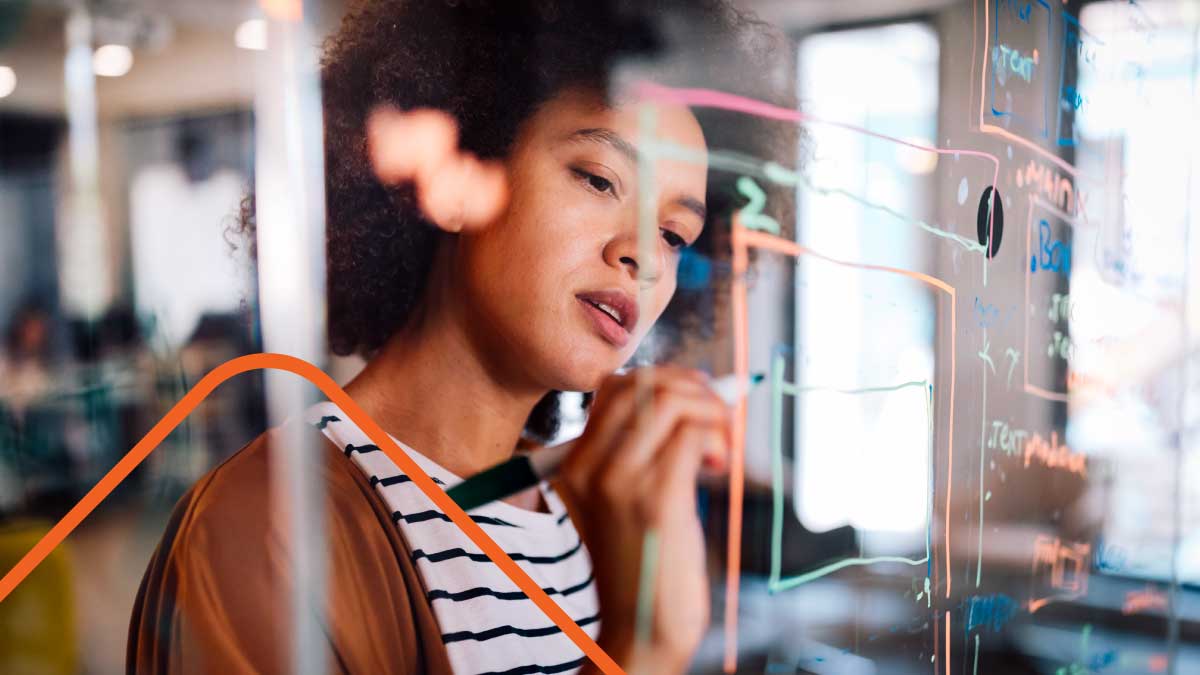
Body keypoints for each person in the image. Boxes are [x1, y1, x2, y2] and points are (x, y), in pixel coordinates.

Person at [128, 1, 786, 673]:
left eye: (676, 235)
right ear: (459, 174)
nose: (643, 254)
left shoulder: (595, 520)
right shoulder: (265, 530)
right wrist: (640, 652)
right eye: (598, 178)